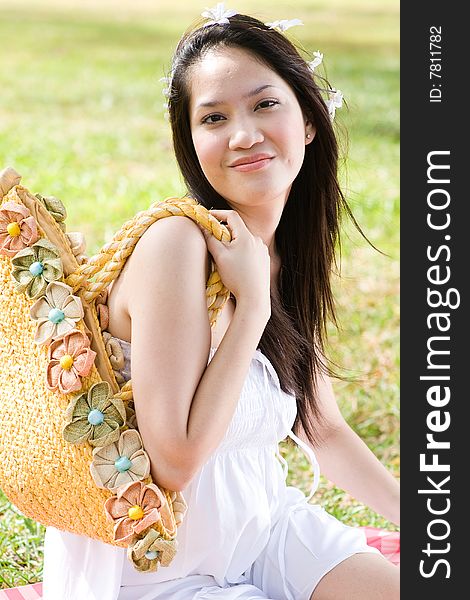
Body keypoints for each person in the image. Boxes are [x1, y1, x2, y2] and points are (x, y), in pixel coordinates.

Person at [42, 9, 400, 600]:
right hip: (156, 570)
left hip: (264, 531)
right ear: (192, 142)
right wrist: (252, 307)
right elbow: (173, 461)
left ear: (308, 120)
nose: (243, 135)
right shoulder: (178, 246)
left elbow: (325, 430)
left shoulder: (282, 254)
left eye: (265, 105)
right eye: (214, 117)